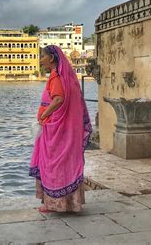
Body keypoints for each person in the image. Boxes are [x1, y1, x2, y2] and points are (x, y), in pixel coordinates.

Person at [30, 45, 92, 213]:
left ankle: (55, 204)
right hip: (59, 127)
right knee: (62, 164)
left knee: (54, 166)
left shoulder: (56, 77)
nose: (40, 60)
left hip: (55, 128)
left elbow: (58, 100)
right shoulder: (60, 77)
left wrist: (43, 116)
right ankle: (67, 204)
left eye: (42, 56)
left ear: (51, 58)